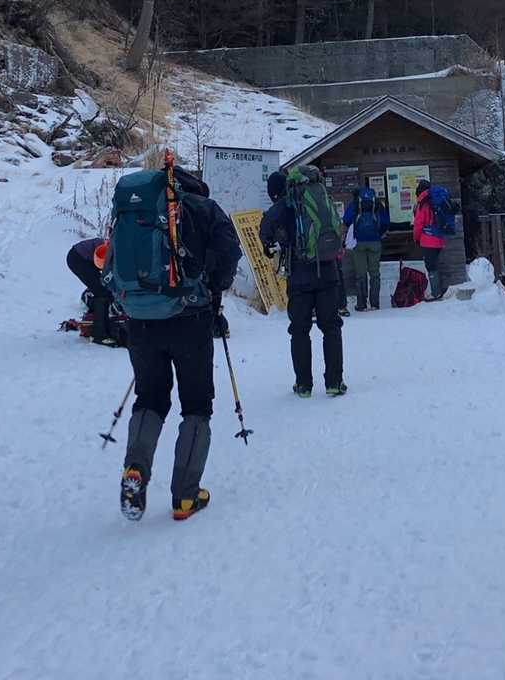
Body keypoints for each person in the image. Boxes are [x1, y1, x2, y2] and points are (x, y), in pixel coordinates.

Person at [107, 165, 241, 522]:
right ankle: (185, 496)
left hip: (140, 319)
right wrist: (214, 288)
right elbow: (230, 252)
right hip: (190, 319)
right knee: (196, 406)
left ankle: (135, 469)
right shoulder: (203, 208)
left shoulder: (135, 209)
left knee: (149, 398)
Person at [261, 169, 346, 398]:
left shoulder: (286, 203)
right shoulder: (318, 195)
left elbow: (266, 227)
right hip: (328, 270)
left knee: (300, 330)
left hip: (299, 275)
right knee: (331, 327)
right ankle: (334, 382)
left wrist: (270, 245)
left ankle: (303, 385)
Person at [66, 237, 125, 346]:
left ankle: (94, 317)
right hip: (78, 258)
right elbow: (110, 276)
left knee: (102, 290)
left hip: (85, 257)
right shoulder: (117, 252)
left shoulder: (122, 250)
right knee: (102, 293)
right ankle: (99, 335)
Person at [342, 185, 389, 311]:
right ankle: (375, 304)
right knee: (375, 274)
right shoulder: (377, 204)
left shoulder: (355, 204)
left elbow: (346, 220)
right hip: (375, 242)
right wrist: (379, 233)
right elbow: (386, 222)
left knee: (361, 274)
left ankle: (361, 304)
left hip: (359, 243)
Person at [411, 179, 448, 301]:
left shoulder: (423, 203)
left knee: (431, 266)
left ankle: (435, 293)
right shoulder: (436, 200)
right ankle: (439, 290)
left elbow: (418, 224)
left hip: (427, 240)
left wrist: (416, 238)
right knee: (435, 264)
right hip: (439, 238)